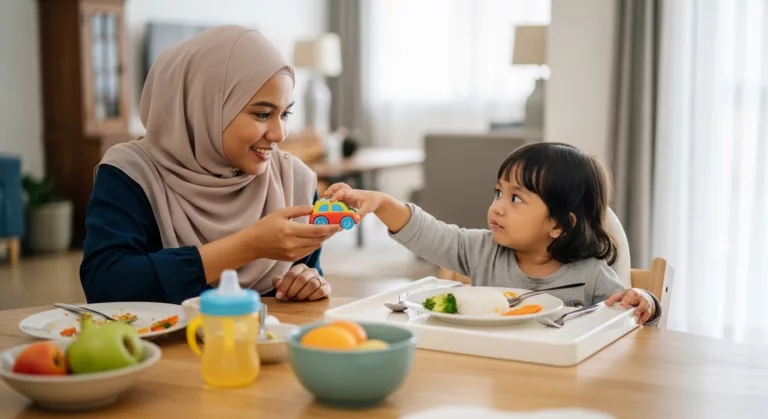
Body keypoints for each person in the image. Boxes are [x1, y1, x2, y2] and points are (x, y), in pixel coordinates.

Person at [79, 26, 342, 305]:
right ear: (203, 105)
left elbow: (305, 282)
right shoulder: (132, 173)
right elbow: (105, 284)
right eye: (263, 114)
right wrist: (246, 246)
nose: (279, 134)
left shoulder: (293, 180)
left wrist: (308, 282)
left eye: (285, 113)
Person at [326, 142, 661, 325]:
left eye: (516, 198)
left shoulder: (590, 276)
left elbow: (629, 322)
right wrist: (383, 203)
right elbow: (431, 234)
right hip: (492, 371)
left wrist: (645, 301)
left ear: (558, 225)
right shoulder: (482, 250)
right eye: (498, 192)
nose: (497, 207)